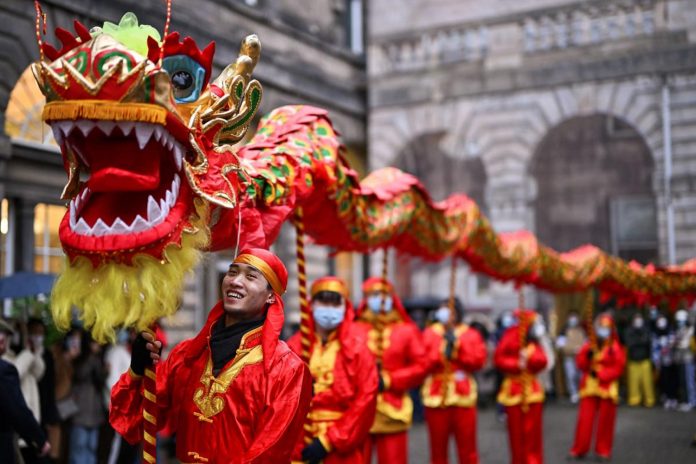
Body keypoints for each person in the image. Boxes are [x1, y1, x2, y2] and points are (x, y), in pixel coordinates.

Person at [110, 248, 312, 463]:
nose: (235, 281)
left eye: (251, 276)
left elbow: (270, 452)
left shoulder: (288, 370)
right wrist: (137, 372)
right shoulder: (187, 354)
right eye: (232, 272)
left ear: (271, 296)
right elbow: (133, 422)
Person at [287, 276, 378, 464]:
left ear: (345, 307)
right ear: (311, 304)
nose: (329, 308)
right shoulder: (294, 347)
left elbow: (366, 398)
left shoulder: (359, 348)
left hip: (343, 446)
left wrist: (329, 440)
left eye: (335, 302)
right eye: (323, 301)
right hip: (299, 443)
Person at [354, 277, 430, 464]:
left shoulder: (407, 331)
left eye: (383, 294)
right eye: (373, 295)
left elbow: (421, 365)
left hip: (393, 409)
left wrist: (390, 380)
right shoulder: (353, 330)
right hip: (356, 411)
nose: (379, 299)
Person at [421, 299, 486, 464]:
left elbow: (478, 360)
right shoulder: (429, 333)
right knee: (437, 449)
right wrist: (441, 351)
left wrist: (458, 348)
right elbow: (422, 361)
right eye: (442, 310)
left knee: (467, 447)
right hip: (436, 394)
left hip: (463, 394)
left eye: (448, 310)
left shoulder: (470, 334)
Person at [568, 313, 626, 461]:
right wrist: (586, 357)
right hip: (589, 387)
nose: (603, 331)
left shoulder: (615, 347)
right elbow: (580, 363)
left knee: (606, 421)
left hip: (607, 387)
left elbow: (618, 367)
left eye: (606, 328)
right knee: (585, 419)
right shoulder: (590, 344)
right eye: (601, 327)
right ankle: (579, 449)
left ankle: (603, 450)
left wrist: (601, 375)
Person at [494, 309, 548, 464]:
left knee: (533, 434)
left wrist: (529, 358)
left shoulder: (534, 342)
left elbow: (543, 361)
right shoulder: (509, 336)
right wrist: (517, 363)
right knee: (515, 434)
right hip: (513, 390)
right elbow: (500, 358)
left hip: (532, 390)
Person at [0, 319, 51, 464]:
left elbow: (39, 372)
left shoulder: (19, 356)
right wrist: (38, 439)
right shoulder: (5, 367)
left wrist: (32, 352)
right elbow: (16, 410)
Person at [69, 329, 107, 464]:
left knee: (92, 448)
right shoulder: (80, 358)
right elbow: (81, 374)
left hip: (95, 414)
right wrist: (92, 356)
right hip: (80, 413)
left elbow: (101, 380)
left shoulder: (99, 359)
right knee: (79, 448)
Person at [26, 318, 59, 464]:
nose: (37, 336)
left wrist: (49, 415)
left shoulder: (47, 356)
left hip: (43, 412)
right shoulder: (22, 353)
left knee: (43, 452)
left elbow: (49, 387)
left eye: (40, 333)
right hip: (26, 409)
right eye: (34, 332)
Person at [624, 313, 655, 407]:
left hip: (645, 359)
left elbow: (648, 342)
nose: (638, 321)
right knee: (633, 383)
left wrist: (638, 341)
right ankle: (634, 400)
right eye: (636, 319)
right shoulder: (629, 331)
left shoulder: (646, 330)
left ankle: (649, 400)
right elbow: (629, 343)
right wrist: (640, 340)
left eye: (640, 318)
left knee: (647, 383)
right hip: (633, 360)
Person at [556, 313, 586, 403]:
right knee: (571, 375)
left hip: (581, 357)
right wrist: (570, 349)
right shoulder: (564, 331)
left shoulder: (581, 330)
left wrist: (581, 349)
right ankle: (573, 392)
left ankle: (581, 391)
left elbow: (585, 342)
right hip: (569, 357)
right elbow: (560, 344)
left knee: (581, 375)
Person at [652, 314, 678, 409]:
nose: (661, 322)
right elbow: (654, 348)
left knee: (673, 380)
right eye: (659, 321)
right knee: (664, 381)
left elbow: (674, 342)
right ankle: (666, 398)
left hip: (672, 360)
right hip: (662, 362)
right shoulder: (655, 333)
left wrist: (668, 346)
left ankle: (673, 398)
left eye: (663, 320)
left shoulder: (671, 331)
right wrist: (656, 361)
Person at [673, 309, 695, 411]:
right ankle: (684, 400)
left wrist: (677, 342)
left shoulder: (690, 330)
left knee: (688, 381)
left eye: (681, 320)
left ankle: (691, 401)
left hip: (688, 359)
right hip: (680, 359)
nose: (680, 323)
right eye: (678, 321)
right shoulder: (679, 330)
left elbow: (684, 344)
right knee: (682, 381)